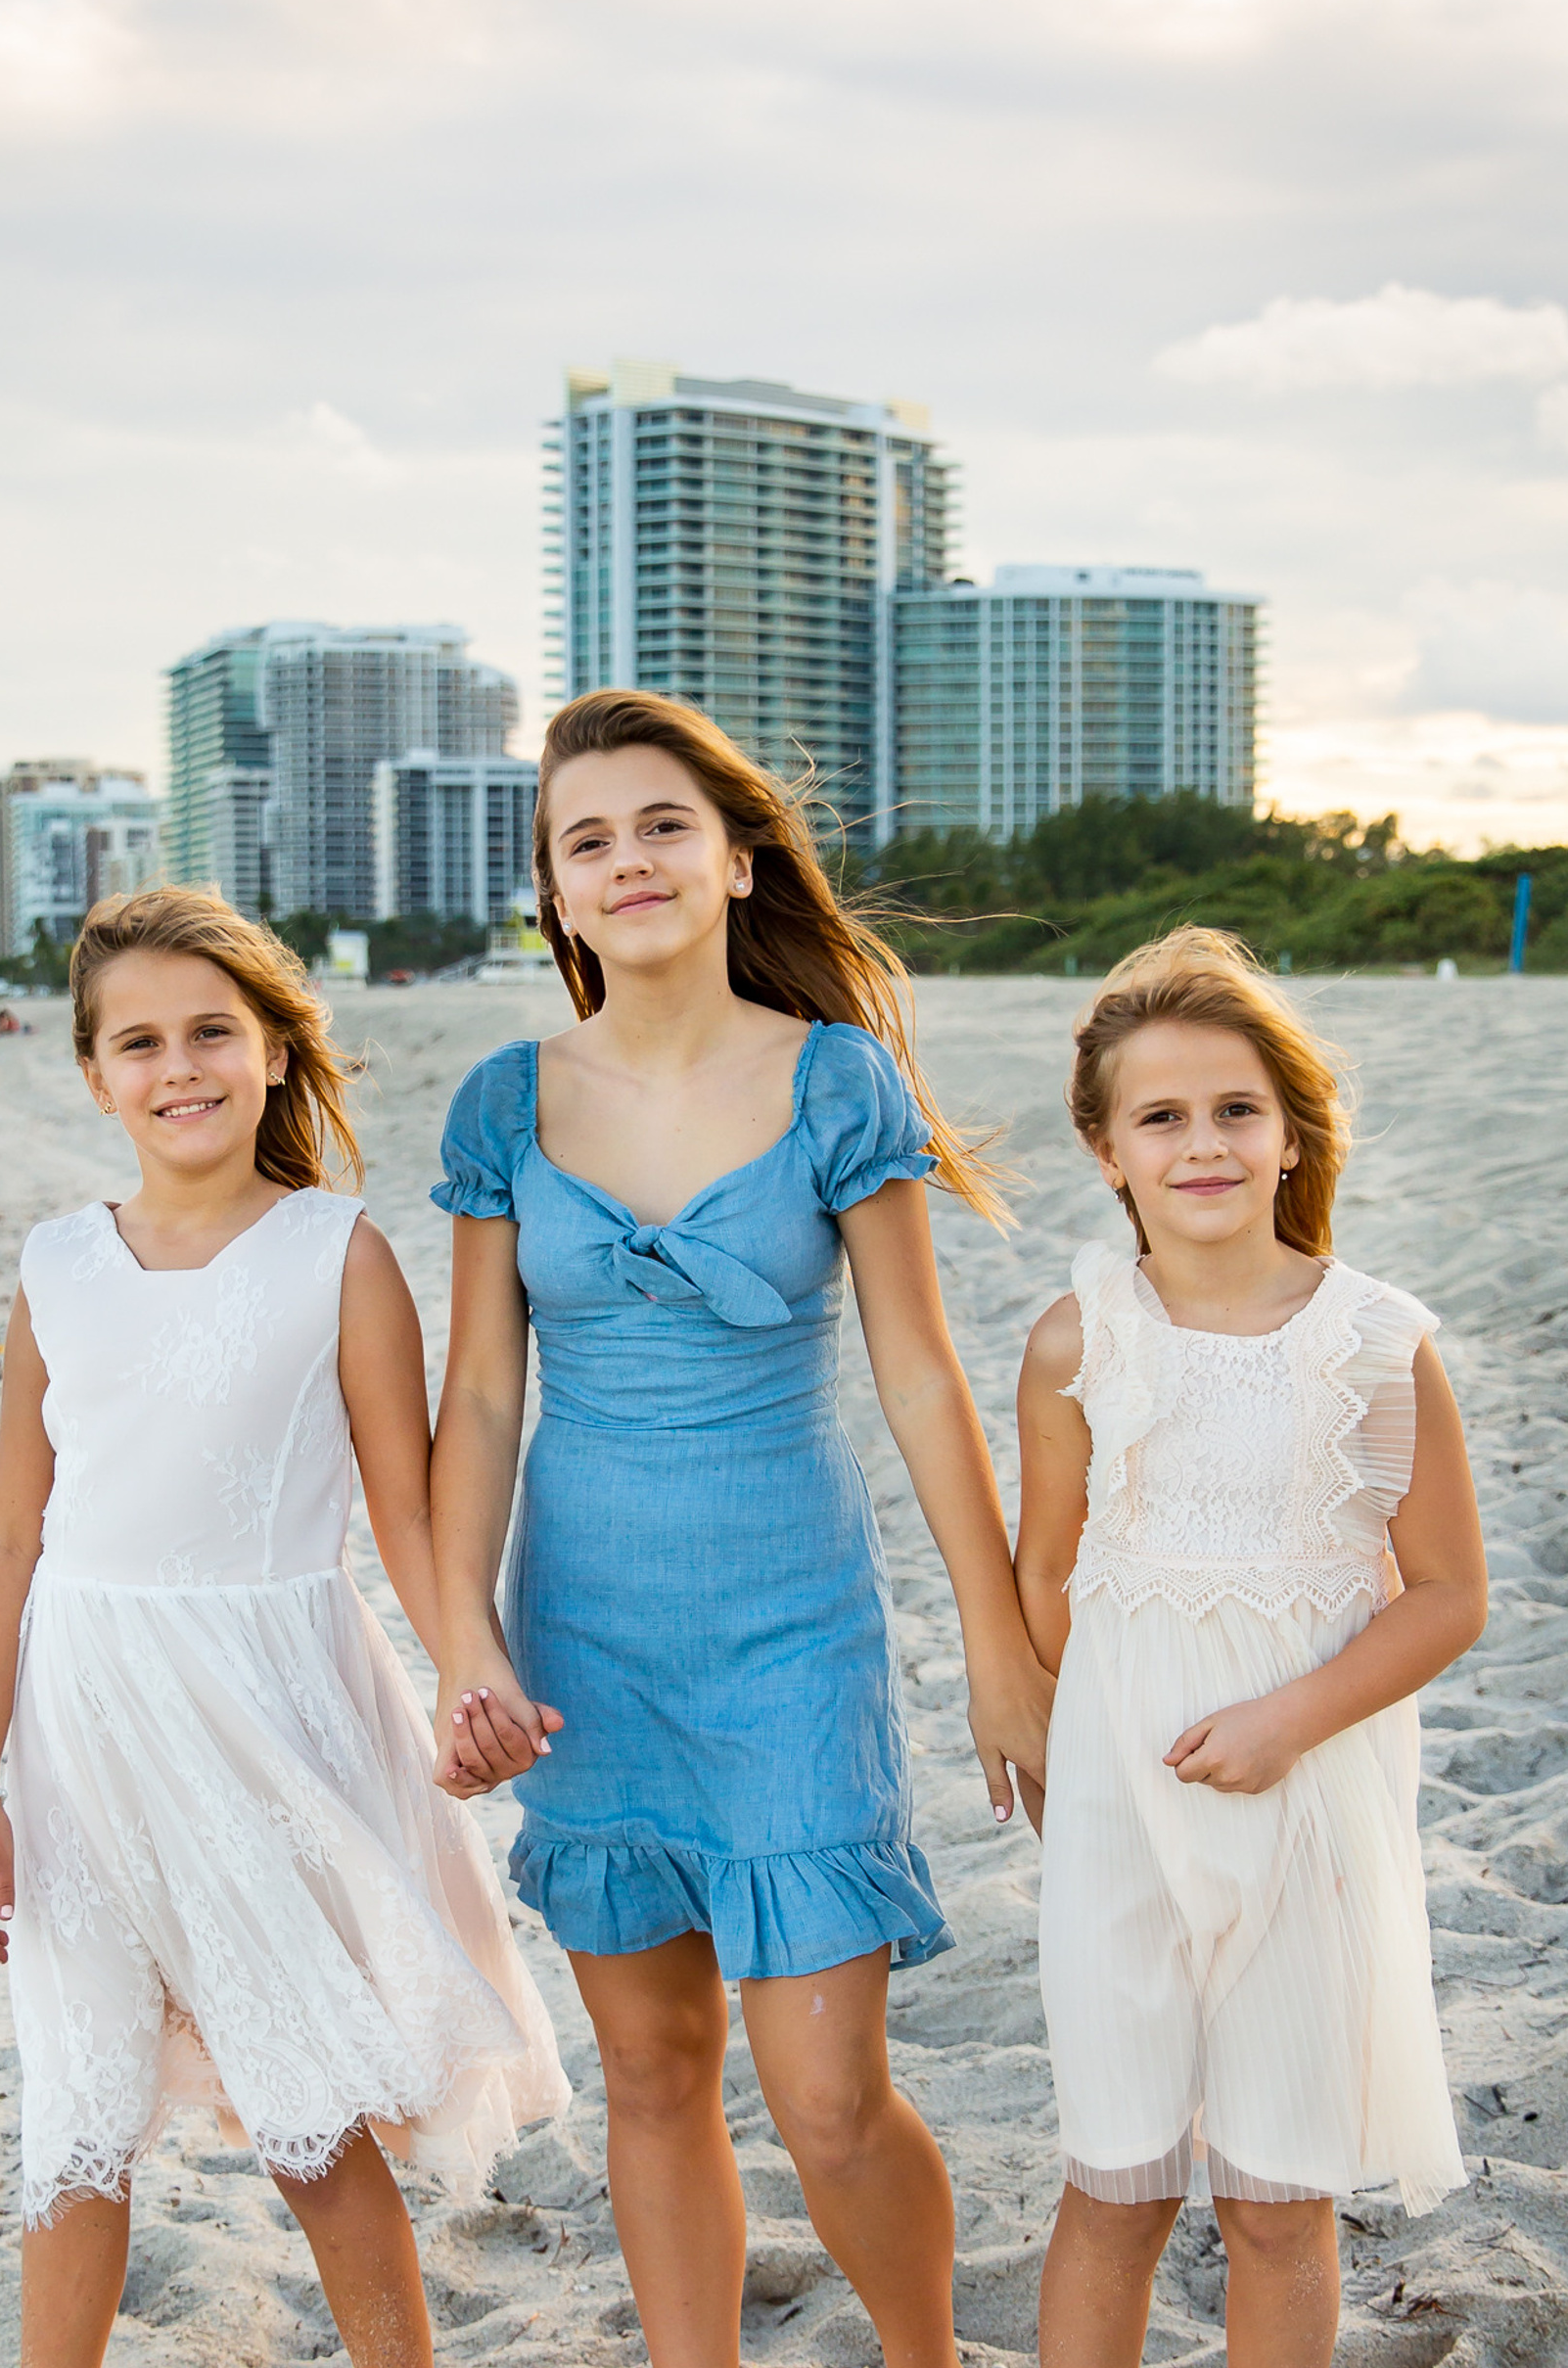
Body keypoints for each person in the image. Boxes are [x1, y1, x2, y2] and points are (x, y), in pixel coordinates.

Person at [429, 688, 1052, 2368]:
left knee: (833, 2102)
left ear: (738, 859)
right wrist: (463, 1639)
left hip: (790, 1633)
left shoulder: (837, 1080)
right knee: (649, 2072)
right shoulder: (504, 1103)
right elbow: (479, 1401)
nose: (625, 861)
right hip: (585, 1645)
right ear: (552, 893)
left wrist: (999, 1645)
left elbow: (923, 1381)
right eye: (587, 841)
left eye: (660, 827)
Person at [0, 885, 567, 2368]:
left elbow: (408, 1517)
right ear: (94, 1074)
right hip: (79, 1730)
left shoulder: (336, 1254)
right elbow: (9, 1538)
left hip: (262, 1719)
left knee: (307, 2119)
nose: (181, 1068)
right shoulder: (55, 1269)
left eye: (213, 1031)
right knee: (75, 2113)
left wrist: (469, 1665)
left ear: (277, 1051)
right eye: (140, 1042)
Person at [1014, 929, 1484, 2368]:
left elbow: (1446, 1594)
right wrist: (1084, 1739)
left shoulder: (1375, 1344)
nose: (1200, 1143)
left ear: (1289, 1137)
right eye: (1161, 1117)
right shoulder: (1071, 1341)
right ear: (1106, 1150)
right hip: (1120, 1813)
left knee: (1280, 2201)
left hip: (1309, 1804)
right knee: (1117, 2183)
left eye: (1235, 1111)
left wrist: (1288, 1720)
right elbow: (1048, 1567)